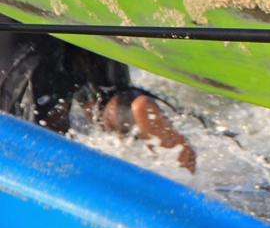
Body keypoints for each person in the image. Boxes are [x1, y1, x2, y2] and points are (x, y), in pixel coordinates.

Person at [0, 24, 196, 172]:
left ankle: (53, 174)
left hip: (17, 11)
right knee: (104, 99)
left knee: (35, 128)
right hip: (81, 1)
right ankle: (129, 110)